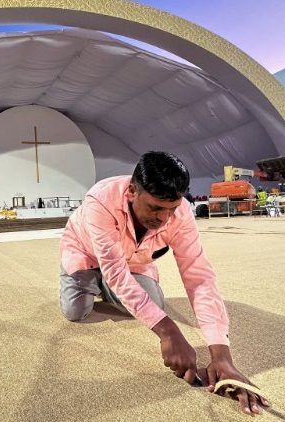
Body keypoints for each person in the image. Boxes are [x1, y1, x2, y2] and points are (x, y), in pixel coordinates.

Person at [59, 151, 268, 416]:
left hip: (131, 260)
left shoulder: (180, 212)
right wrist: (169, 332)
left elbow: (198, 275)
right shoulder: (100, 200)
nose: (164, 219)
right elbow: (114, 269)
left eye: (171, 209)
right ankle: (92, 281)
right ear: (132, 192)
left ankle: (110, 287)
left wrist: (221, 354)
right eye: (156, 208)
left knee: (154, 305)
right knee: (75, 312)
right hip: (86, 252)